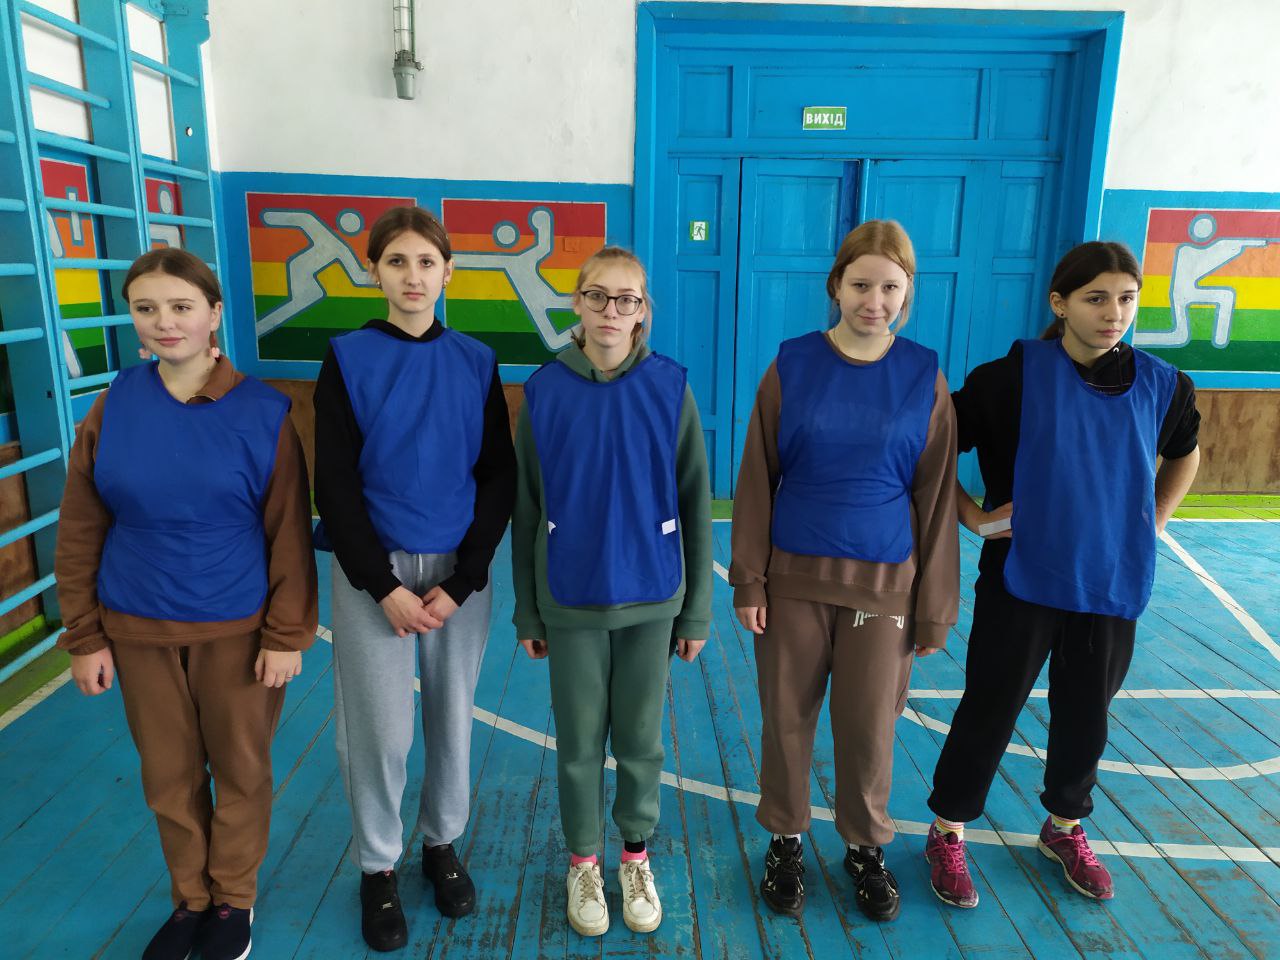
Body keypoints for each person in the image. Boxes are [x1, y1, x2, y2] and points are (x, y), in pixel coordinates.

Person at [56, 247, 318, 960]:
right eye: (146, 308)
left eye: (181, 306)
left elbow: (289, 532)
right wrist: (85, 635)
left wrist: (285, 634)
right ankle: (190, 900)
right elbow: (81, 525)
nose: (164, 322)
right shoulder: (114, 404)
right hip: (136, 627)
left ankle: (233, 899)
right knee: (168, 778)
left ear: (214, 314)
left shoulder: (262, 411)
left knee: (240, 772)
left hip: (236, 630)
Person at [923, 241, 1201, 908]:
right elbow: (931, 448)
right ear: (1060, 303)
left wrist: (1156, 519)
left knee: (1086, 713)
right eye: (1096, 298)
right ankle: (948, 827)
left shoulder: (1166, 385)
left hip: (1111, 578)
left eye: (1127, 299)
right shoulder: (1008, 380)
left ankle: (1065, 825)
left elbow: (1185, 452)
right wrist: (972, 516)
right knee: (991, 703)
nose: (1114, 313)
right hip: (1023, 576)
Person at [729, 219, 959, 922]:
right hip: (793, 582)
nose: (874, 301)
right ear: (836, 285)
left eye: (891, 287)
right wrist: (749, 579)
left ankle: (864, 846)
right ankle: (785, 839)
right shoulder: (792, 365)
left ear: (908, 293)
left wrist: (933, 609)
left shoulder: (923, 376)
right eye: (861, 284)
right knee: (786, 720)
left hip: (884, 586)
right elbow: (757, 477)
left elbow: (936, 496)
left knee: (869, 728)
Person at [312, 205, 515, 951]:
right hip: (377, 573)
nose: (412, 276)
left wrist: (464, 580)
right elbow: (333, 482)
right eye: (396, 261)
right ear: (374, 271)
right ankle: (378, 866)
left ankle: (441, 843)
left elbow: (497, 475)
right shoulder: (347, 358)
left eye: (426, 262)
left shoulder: (476, 360)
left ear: (448, 271)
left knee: (452, 718)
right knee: (380, 729)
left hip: (456, 574)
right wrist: (381, 585)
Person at [511, 246, 712, 937]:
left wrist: (697, 610)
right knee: (577, 744)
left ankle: (634, 856)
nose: (610, 310)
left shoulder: (669, 387)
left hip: (651, 596)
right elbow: (526, 507)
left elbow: (695, 502)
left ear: (643, 311)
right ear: (577, 302)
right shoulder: (544, 391)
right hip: (570, 597)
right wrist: (527, 608)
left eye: (627, 299)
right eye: (597, 295)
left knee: (640, 739)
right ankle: (583, 863)